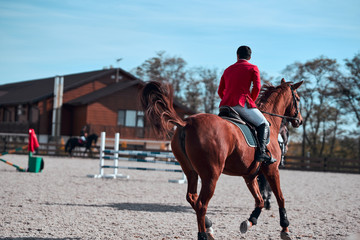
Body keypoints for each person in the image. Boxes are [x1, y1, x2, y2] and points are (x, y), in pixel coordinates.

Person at [217, 45, 274, 163]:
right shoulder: (253, 67)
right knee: (264, 123)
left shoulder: (228, 69)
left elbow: (220, 90)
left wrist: (227, 99)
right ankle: (261, 153)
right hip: (242, 104)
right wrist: (250, 101)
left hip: (225, 106)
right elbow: (257, 87)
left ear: (237, 56)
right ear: (250, 57)